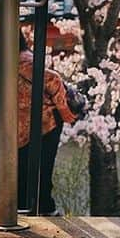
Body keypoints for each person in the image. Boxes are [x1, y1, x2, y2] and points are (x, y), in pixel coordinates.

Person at [16, 29, 78, 216]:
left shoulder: (21, 60)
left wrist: (65, 111)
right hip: (33, 122)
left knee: (36, 165)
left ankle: (41, 206)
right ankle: (36, 205)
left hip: (42, 121)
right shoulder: (22, 58)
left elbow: (54, 79)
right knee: (33, 165)